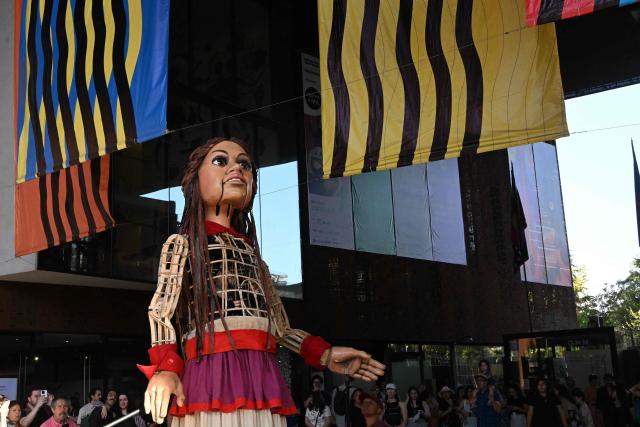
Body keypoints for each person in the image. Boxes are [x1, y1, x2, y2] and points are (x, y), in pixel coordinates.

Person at [138, 138, 386, 427]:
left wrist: (324, 353)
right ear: (195, 180)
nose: (237, 169)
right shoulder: (182, 245)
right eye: (221, 161)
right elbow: (161, 312)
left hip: (261, 375)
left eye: (245, 164)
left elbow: (282, 328)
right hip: (211, 373)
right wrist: (166, 367)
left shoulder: (256, 260)